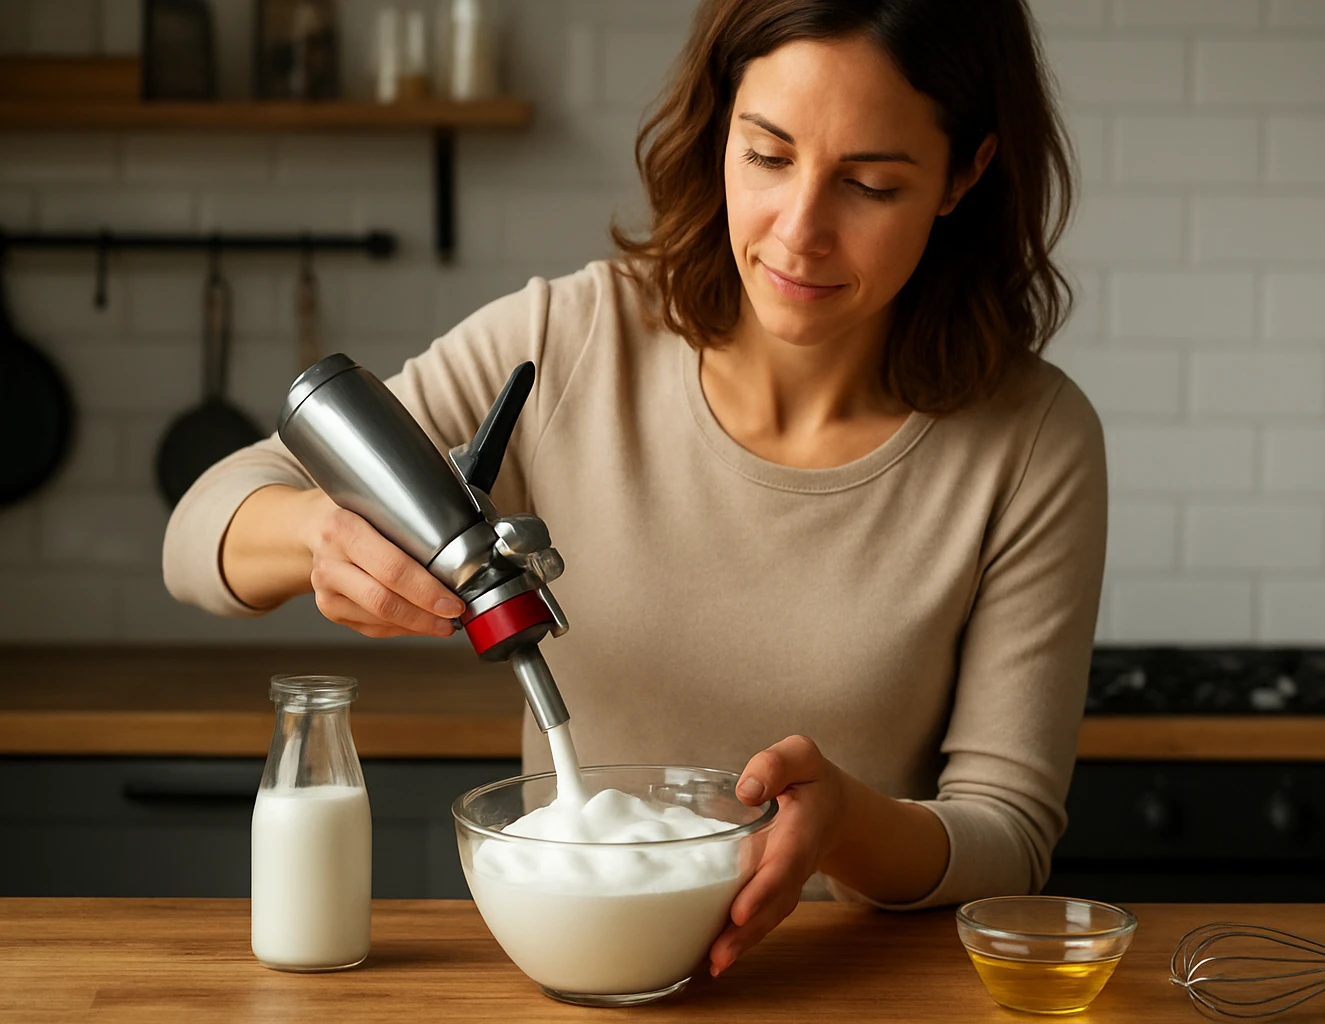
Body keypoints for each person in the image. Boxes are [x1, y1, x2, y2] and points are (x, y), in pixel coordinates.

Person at [163, 0, 1105, 978]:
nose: (799, 231)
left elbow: (1008, 832)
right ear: (719, 126)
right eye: (767, 155)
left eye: (869, 184)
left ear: (964, 174)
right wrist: (314, 533)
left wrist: (848, 826)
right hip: (576, 969)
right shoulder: (570, 345)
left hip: (840, 985)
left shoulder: (1031, 441)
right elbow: (197, 530)